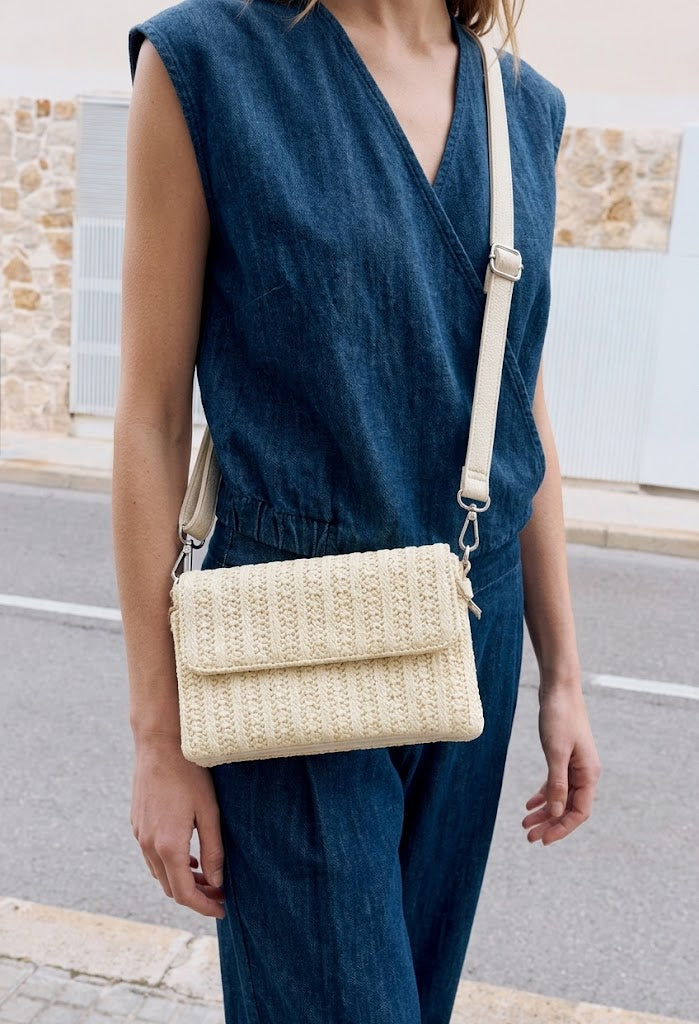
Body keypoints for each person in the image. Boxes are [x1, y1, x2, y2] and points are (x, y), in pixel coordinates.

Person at [112, 0, 602, 1020]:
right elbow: (152, 417)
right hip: (293, 640)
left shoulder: (522, 108)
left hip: (472, 638)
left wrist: (564, 675)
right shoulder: (207, 66)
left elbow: (522, 408)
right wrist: (161, 736)